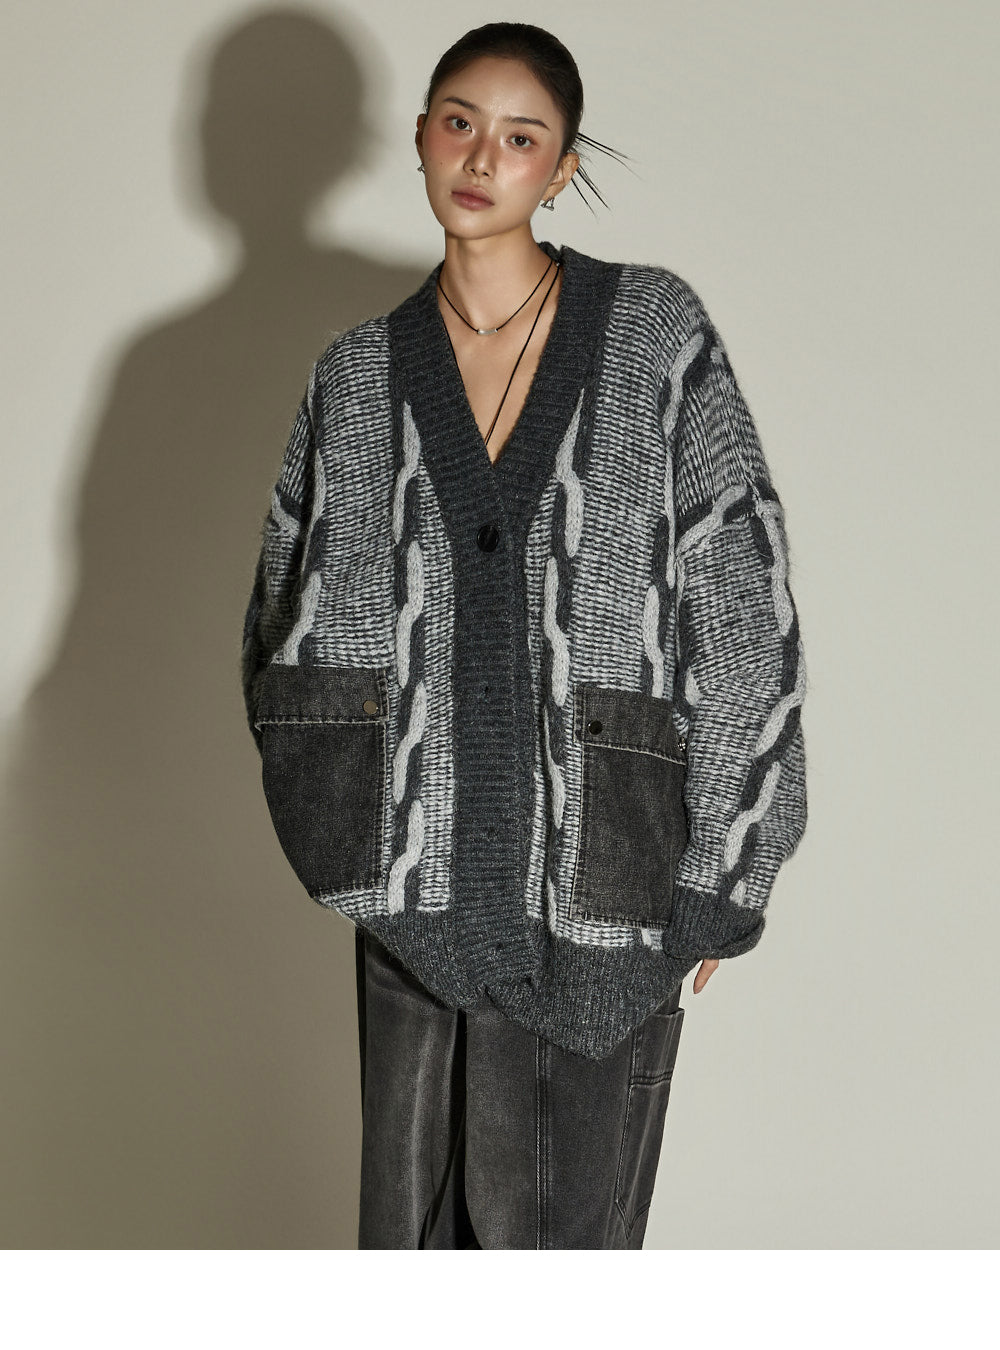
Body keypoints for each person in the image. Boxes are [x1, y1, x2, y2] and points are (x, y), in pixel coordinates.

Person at [240, 21, 808, 1249]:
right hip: (410, 895)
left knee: (558, 1264)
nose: (481, 157)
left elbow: (742, 599)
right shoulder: (355, 374)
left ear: (561, 167)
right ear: (419, 138)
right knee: (413, 1261)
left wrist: (726, 869)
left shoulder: (651, 333)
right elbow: (280, 624)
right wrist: (345, 817)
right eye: (459, 122)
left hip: (604, 890)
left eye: (520, 136)